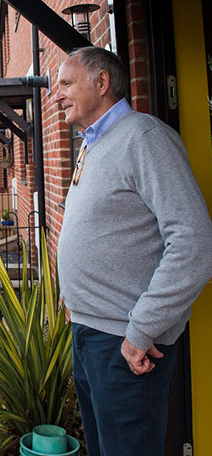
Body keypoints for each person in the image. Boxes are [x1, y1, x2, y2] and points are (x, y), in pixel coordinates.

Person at [55, 46, 212, 455]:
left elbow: (194, 243)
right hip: (89, 335)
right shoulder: (91, 144)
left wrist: (141, 329)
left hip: (126, 344)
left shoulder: (145, 137)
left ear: (102, 83)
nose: (58, 95)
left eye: (67, 83)